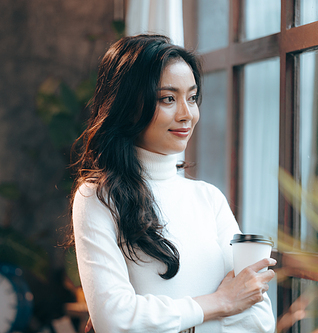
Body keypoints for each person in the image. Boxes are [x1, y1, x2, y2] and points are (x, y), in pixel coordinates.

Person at [71, 34, 276, 332]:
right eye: (168, 98)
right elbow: (116, 319)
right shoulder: (98, 198)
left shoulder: (209, 199)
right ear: (129, 106)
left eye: (192, 98)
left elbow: (258, 317)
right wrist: (220, 303)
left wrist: (179, 318)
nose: (187, 114)